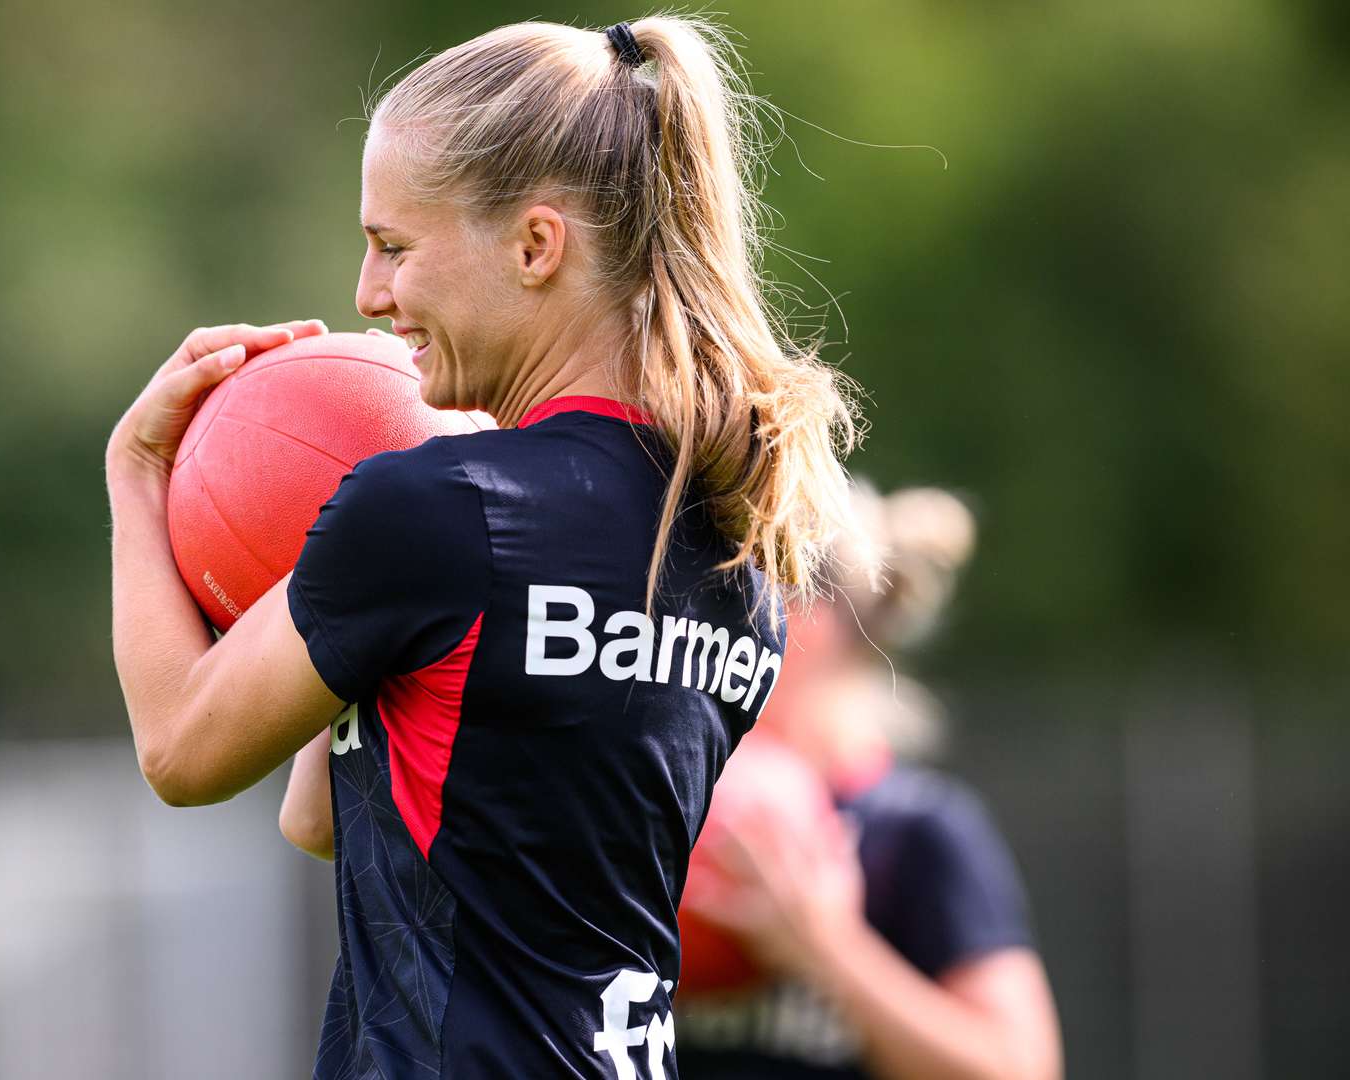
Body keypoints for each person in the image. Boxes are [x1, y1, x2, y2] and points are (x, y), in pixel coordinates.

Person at [107, 17, 859, 1079]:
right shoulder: (745, 544)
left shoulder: (439, 514)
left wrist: (136, 471)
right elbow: (341, 817)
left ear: (536, 246)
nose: (370, 293)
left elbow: (183, 749)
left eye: (394, 246)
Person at [674, 486, 1064, 1080]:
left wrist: (829, 951)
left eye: (729, 598)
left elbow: (1021, 1068)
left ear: (812, 622)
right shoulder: (680, 805)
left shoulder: (918, 833)